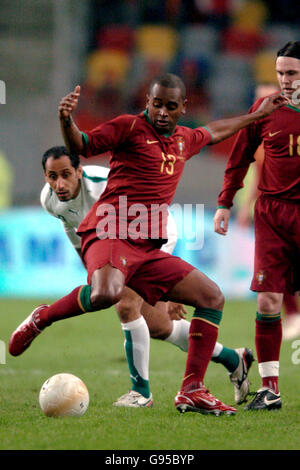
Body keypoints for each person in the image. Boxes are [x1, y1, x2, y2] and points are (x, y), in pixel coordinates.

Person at [9, 73, 286, 416]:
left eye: (171, 106)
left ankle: (193, 389)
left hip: (149, 245)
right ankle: (43, 318)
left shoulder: (185, 139)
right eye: (156, 104)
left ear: (183, 107)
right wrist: (66, 120)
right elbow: (81, 145)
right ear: (147, 101)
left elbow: (215, 131)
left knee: (211, 297)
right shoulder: (128, 127)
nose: (163, 112)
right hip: (109, 230)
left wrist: (256, 116)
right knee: (108, 294)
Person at [40, 145, 255, 407]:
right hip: (121, 244)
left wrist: (168, 285)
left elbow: (151, 212)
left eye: (65, 175)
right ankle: (234, 359)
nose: (59, 183)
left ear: (79, 172)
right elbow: (76, 235)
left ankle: (140, 393)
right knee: (158, 326)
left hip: (154, 232)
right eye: (53, 177)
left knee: (126, 304)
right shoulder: (50, 201)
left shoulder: (102, 184)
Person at [214, 41, 300, 411]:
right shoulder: (264, 111)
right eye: (280, 73)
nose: (284, 80)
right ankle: (270, 388)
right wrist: (224, 203)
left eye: (292, 73)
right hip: (272, 213)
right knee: (268, 300)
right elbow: (239, 158)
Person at [235, 83, 300, 343]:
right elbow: (257, 176)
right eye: (257, 97)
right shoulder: (262, 134)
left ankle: (294, 316)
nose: (261, 102)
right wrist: (244, 207)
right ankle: (293, 316)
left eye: (265, 97)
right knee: (279, 269)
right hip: (271, 211)